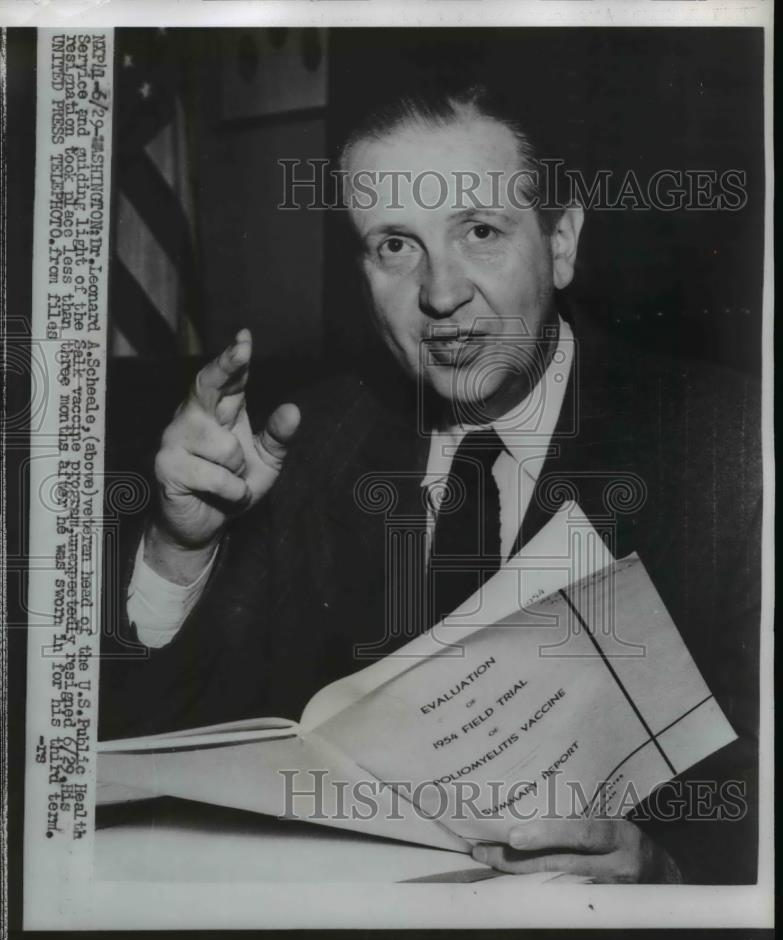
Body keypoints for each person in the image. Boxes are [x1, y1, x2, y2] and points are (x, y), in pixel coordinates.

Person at [100, 84, 761, 884]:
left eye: (480, 232)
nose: (440, 294)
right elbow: (137, 752)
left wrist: (669, 870)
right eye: (394, 245)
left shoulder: (728, 447)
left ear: (559, 241)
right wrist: (178, 548)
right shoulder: (307, 443)